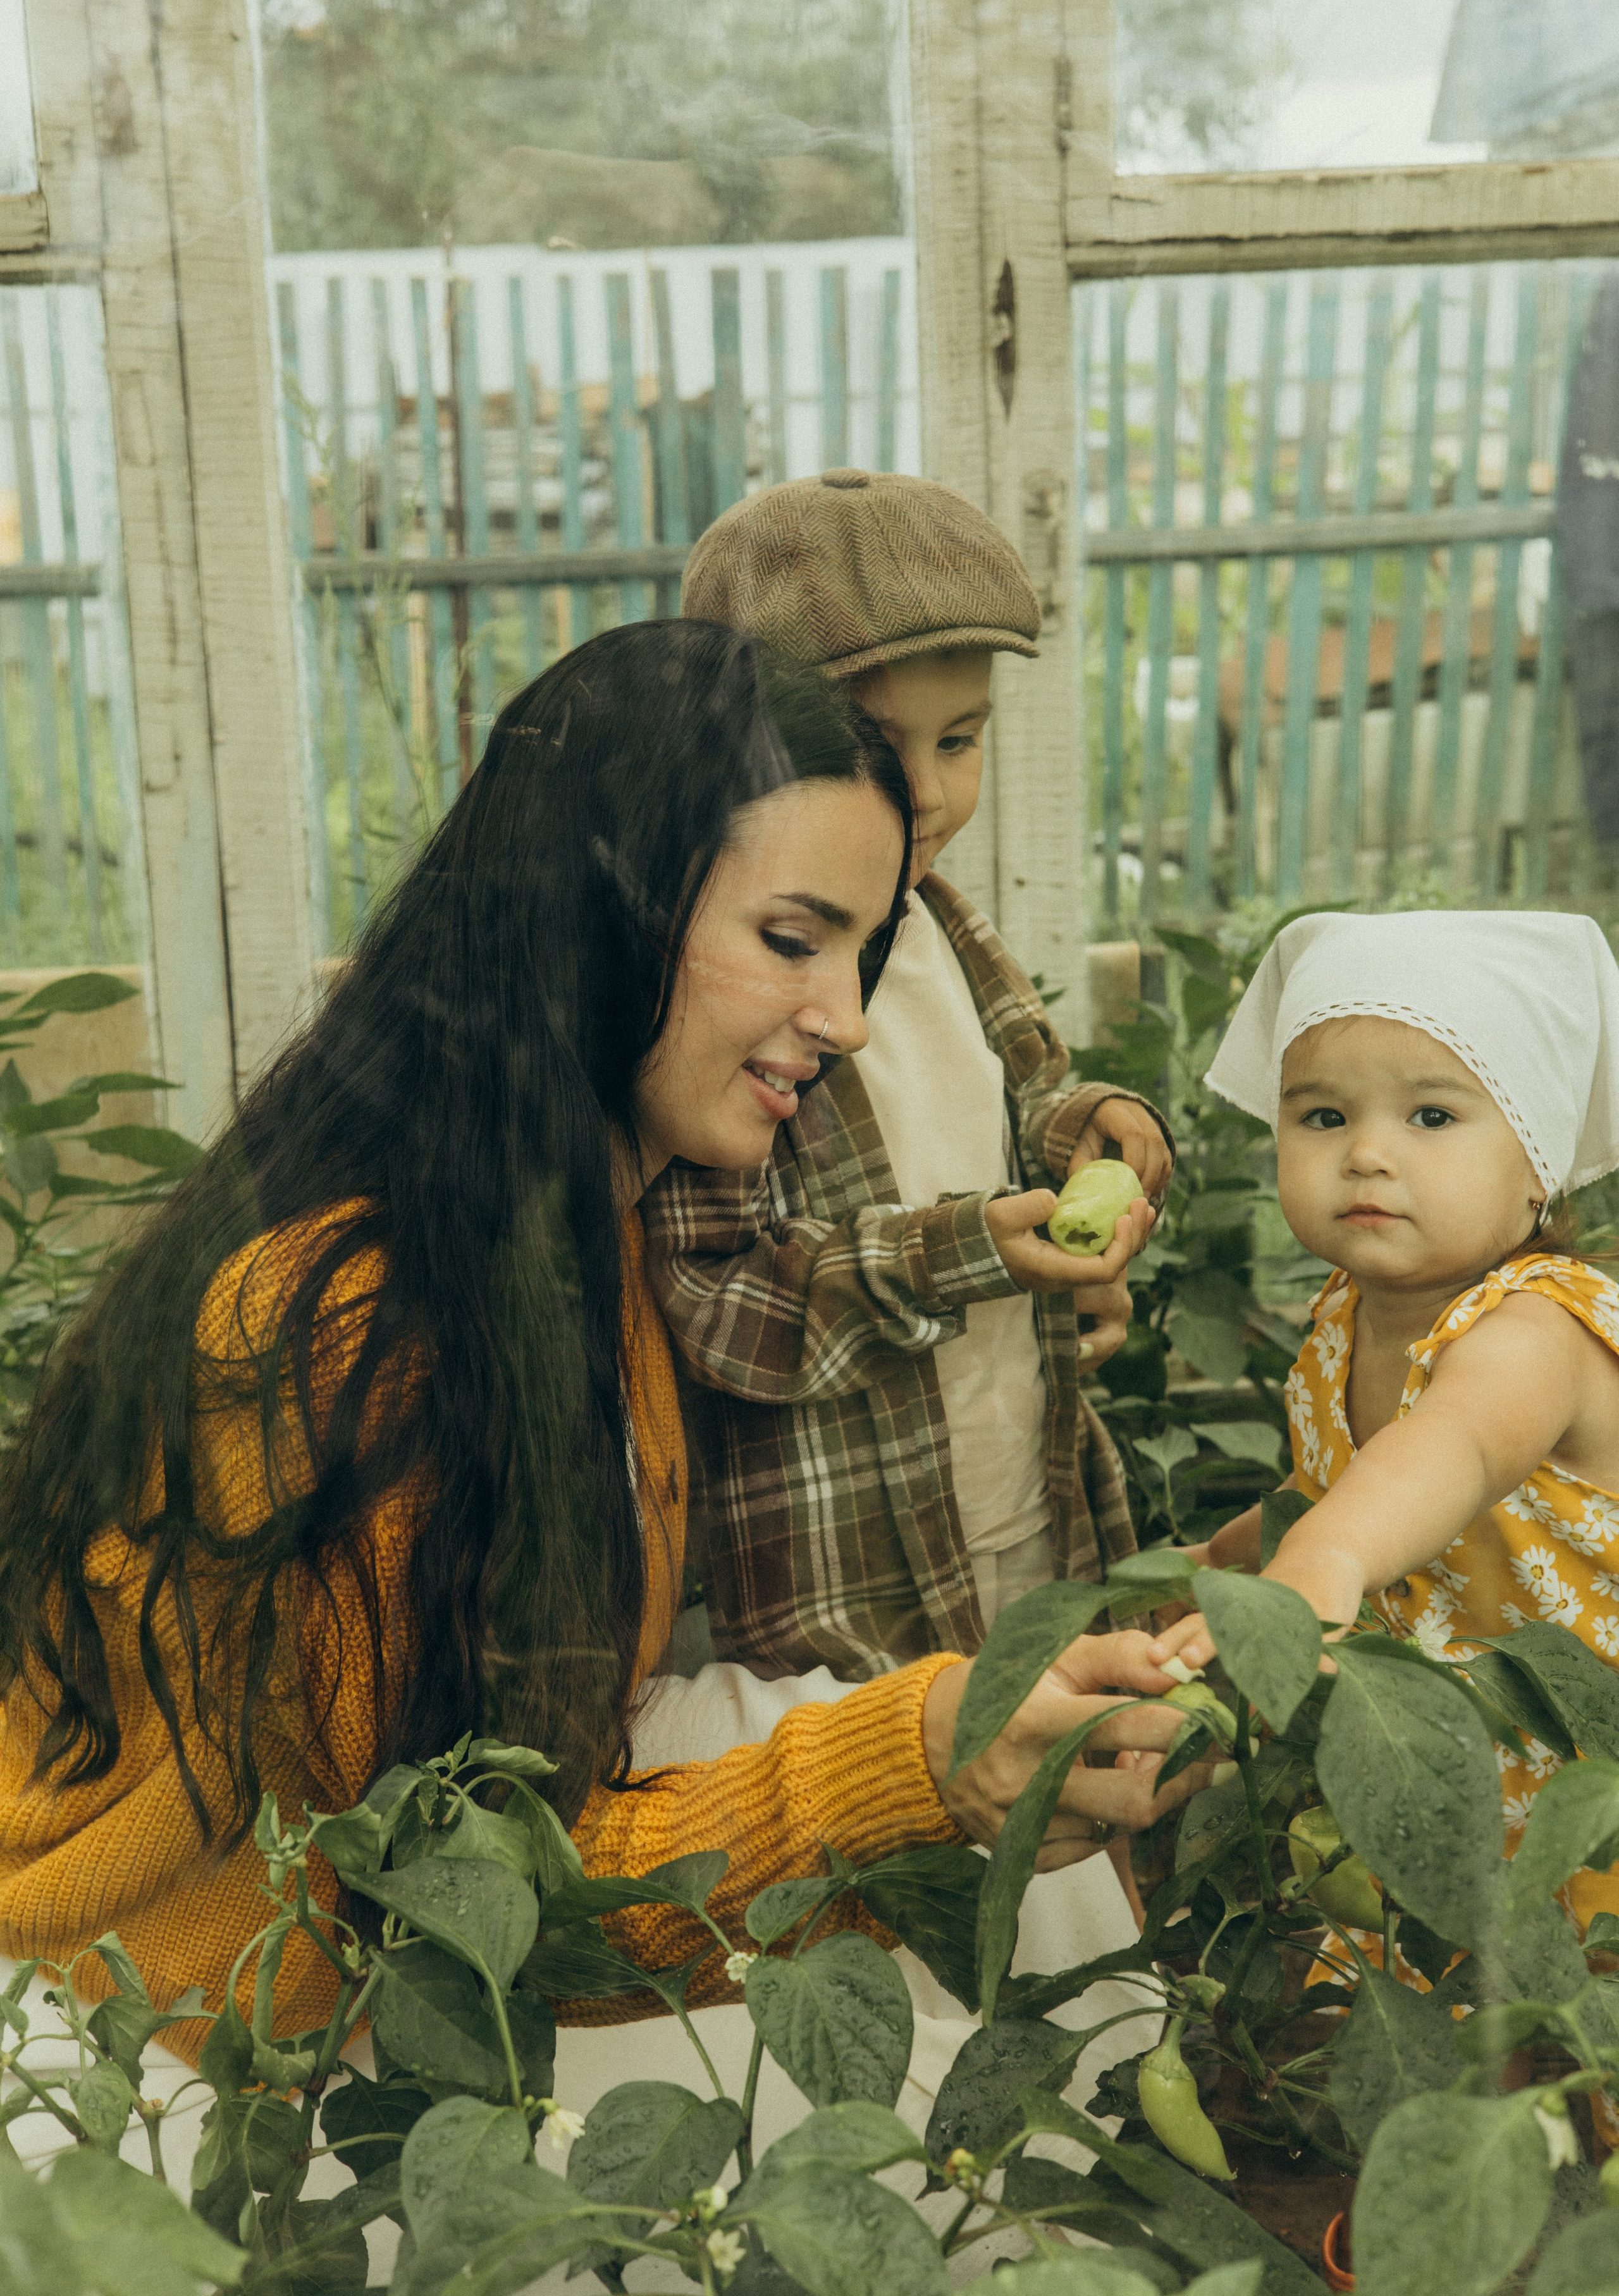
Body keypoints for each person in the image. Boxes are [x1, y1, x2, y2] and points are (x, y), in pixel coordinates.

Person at [0, 623, 1197, 2048]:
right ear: (595, 908)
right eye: (789, 938)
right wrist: (909, 1773)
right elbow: (437, 1898)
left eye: (863, 951)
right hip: (224, 2007)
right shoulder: (346, 1319)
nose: (848, 1019)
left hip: (444, 1873)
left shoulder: (584, 1217)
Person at [642, 471, 1173, 1698]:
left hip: (1019, 1495)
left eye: (960, 740)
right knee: (896, 1844)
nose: (926, 793)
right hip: (850, 1565)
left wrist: (1091, 1125)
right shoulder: (732, 976)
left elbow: (1015, 1082)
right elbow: (715, 1308)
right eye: (876, 747)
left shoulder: (935, 917)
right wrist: (968, 1251)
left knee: (1057, 1813)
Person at [1151, 907, 1619, 1937]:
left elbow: (1447, 1448)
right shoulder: (1341, 1319)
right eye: (1323, 1118)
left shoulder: (1538, 1328)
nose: (1367, 1154)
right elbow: (1324, 1498)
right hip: (1442, 1770)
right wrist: (1217, 1570)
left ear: (1537, 1162)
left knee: (1562, 2037)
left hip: (1583, 1785)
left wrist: (1319, 1567)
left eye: (1432, 1119)